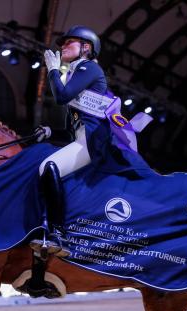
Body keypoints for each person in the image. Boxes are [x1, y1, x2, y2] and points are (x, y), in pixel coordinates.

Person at [30, 26, 153, 257]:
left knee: (48, 166)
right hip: (82, 141)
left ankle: (57, 233)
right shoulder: (76, 74)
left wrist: (53, 71)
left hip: (94, 143)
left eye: (70, 42)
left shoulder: (89, 68)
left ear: (86, 48)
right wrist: (49, 132)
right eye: (63, 43)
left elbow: (61, 97)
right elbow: (70, 133)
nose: (63, 46)